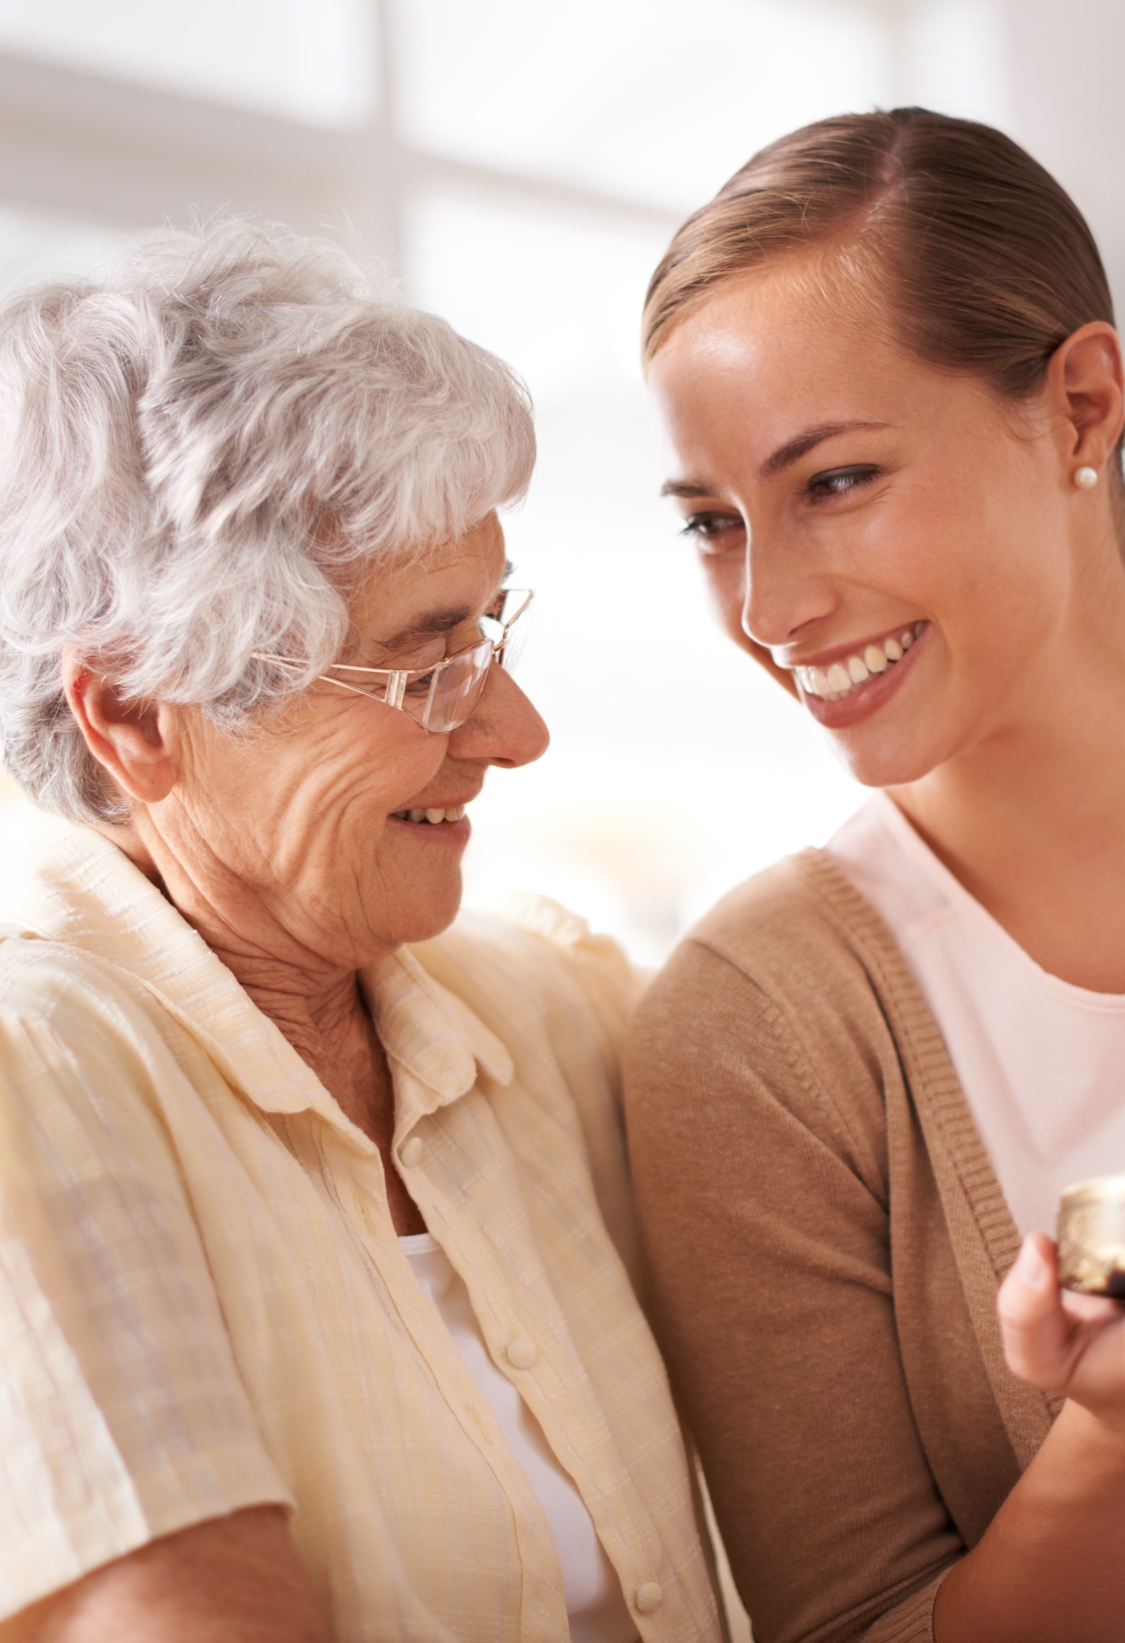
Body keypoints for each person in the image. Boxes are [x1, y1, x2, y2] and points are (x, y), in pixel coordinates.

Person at [0, 219, 723, 1643]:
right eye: (424, 663)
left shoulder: (541, 1005)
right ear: (138, 712)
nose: (516, 732)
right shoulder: (38, 1071)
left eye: (491, 634)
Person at [622, 107, 1125, 1643]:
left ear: (1081, 408)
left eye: (831, 480)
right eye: (713, 523)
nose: (769, 605)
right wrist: (1107, 1440)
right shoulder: (753, 1028)